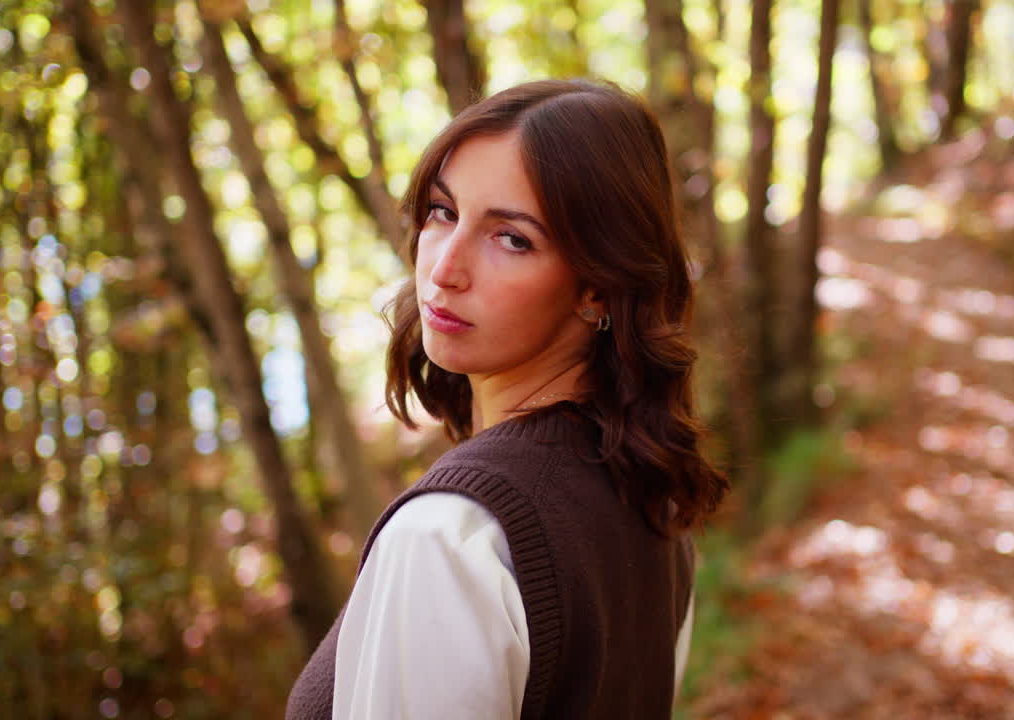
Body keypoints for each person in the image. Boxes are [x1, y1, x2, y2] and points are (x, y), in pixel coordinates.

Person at [287, 78, 728, 720]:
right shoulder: (653, 494)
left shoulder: (448, 540)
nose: (444, 268)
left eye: (512, 238)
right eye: (443, 211)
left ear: (598, 288)